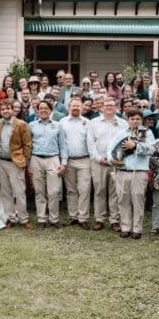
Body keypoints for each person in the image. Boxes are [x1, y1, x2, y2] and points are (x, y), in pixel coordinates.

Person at [107, 108, 155, 239]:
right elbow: (110, 148)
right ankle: (125, 227)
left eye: (138, 119)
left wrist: (134, 146)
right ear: (128, 120)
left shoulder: (147, 133)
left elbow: (151, 149)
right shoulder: (120, 133)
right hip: (122, 171)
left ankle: (137, 229)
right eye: (132, 119)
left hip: (139, 171)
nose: (135, 121)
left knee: (138, 200)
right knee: (123, 200)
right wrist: (112, 160)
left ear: (141, 120)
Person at [87, 98, 128, 231]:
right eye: (106, 105)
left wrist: (117, 158)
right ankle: (99, 219)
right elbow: (91, 143)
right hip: (99, 162)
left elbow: (126, 142)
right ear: (101, 108)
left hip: (116, 163)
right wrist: (99, 158)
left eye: (111, 105)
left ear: (116, 107)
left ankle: (115, 219)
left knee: (115, 191)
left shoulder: (123, 123)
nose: (109, 107)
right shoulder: (93, 123)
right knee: (99, 191)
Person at [29, 100, 68, 228]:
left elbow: (63, 145)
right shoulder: (32, 125)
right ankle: (41, 219)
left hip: (53, 159)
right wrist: (28, 163)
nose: (44, 110)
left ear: (51, 110)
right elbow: (28, 146)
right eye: (41, 108)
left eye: (46, 108)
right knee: (39, 191)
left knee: (54, 191)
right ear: (37, 111)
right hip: (36, 159)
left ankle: (54, 218)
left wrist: (64, 163)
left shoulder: (58, 125)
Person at [0, 100, 33, 229]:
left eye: (8, 108)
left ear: (13, 110)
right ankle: (11, 217)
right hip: (2, 162)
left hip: (16, 162)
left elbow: (27, 144)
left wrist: (25, 161)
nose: (5, 111)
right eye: (3, 109)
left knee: (19, 192)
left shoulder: (21, 124)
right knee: (5, 192)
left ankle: (24, 219)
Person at [60, 97, 92, 229]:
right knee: (71, 190)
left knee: (84, 190)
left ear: (82, 108)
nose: (75, 108)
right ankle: (73, 216)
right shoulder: (62, 122)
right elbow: (61, 143)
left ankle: (83, 217)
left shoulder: (87, 122)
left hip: (84, 160)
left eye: (78, 106)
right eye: (73, 106)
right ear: (69, 107)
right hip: (69, 161)